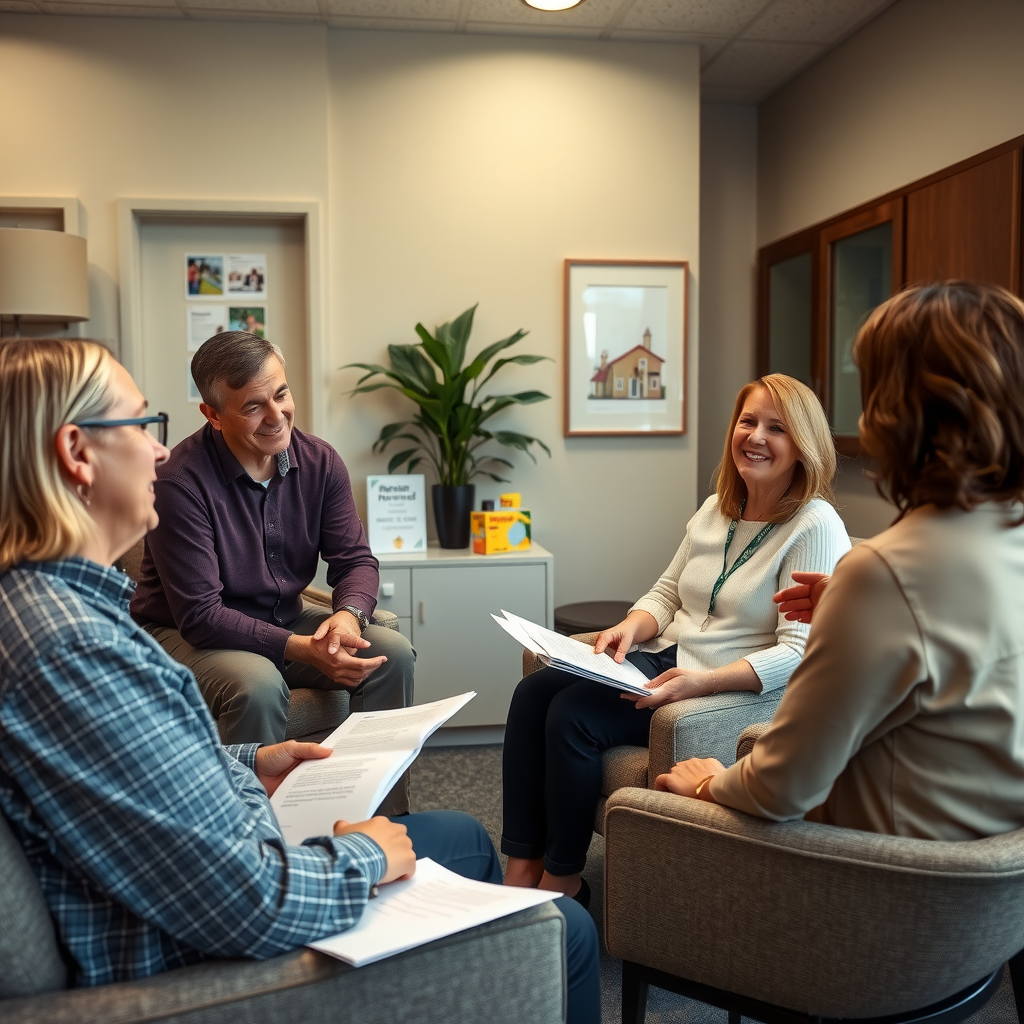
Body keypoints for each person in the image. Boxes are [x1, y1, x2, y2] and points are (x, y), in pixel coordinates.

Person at [0, 338, 599, 1021]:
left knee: (457, 822)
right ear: (78, 453)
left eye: (279, 395)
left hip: (231, 843)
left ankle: (383, 818)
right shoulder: (75, 650)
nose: (158, 449)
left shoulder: (52, 611)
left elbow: (134, 769)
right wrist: (361, 858)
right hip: (207, 948)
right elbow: (240, 900)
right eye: (141, 425)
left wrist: (253, 757)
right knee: (568, 934)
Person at [658, 282, 1024, 841]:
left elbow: (780, 788)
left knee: (645, 808)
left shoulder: (884, 575)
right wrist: (851, 608)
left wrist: (711, 782)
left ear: (897, 414)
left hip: (881, 879)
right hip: (987, 899)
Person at [502, 374, 851, 902]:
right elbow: (665, 597)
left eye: (776, 428)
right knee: (534, 691)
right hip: (665, 656)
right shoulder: (716, 508)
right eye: (748, 421)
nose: (755, 436)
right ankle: (521, 867)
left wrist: (702, 683)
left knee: (572, 716)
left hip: (722, 688)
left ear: (804, 446)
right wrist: (628, 627)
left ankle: (562, 880)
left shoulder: (813, 524)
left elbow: (799, 653)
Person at [130, 332, 413, 811]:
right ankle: (257, 840)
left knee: (391, 655)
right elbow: (201, 614)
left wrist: (347, 617)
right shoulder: (178, 481)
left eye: (281, 394)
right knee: (256, 683)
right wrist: (303, 648)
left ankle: (377, 819)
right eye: (253, 406)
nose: (277, 415)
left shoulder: (320, 462)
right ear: (213, 415)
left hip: (281, 617)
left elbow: (356, 560)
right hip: (184, 631)